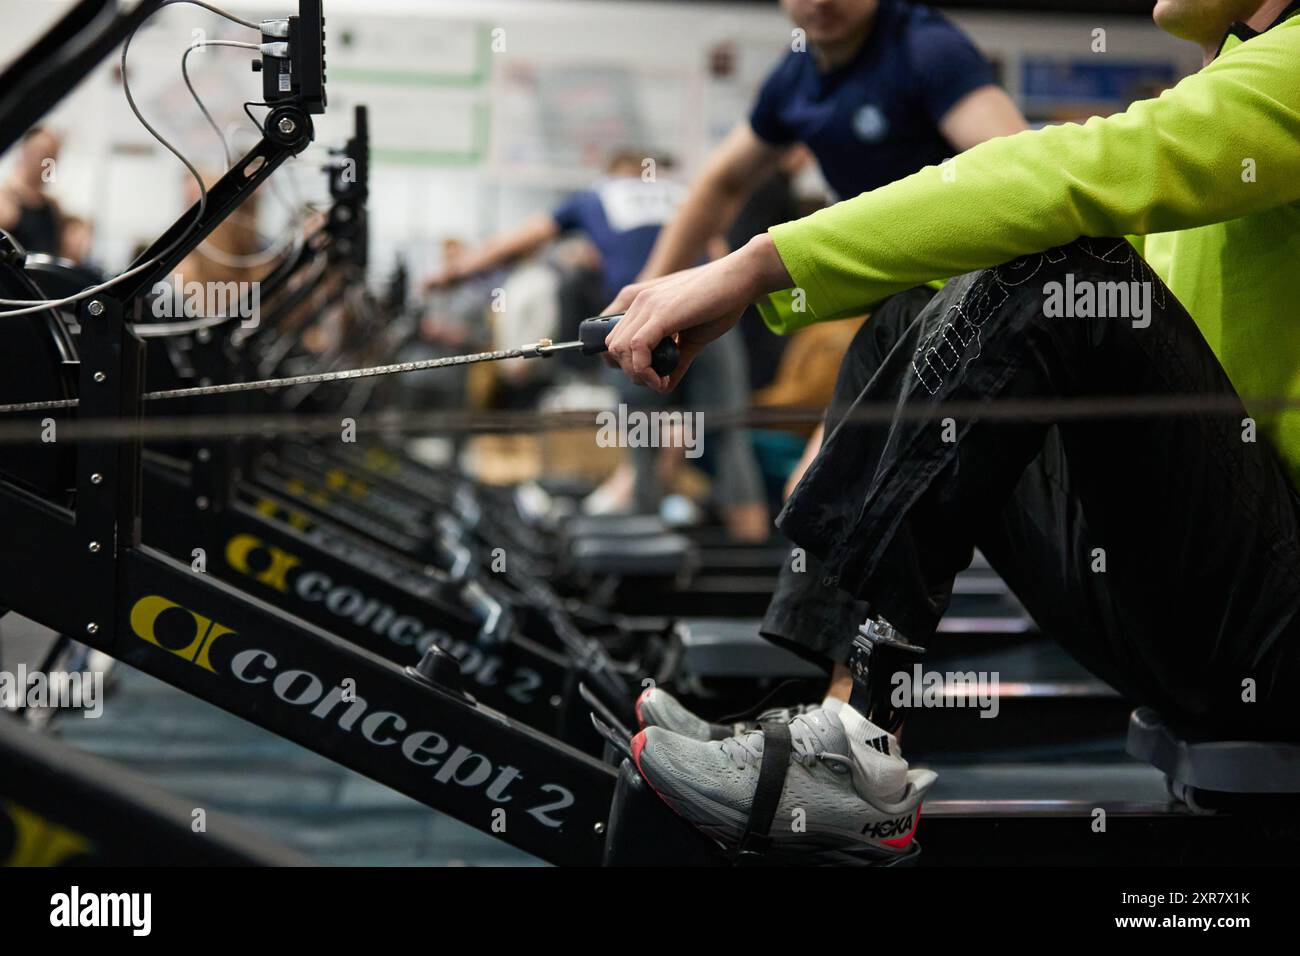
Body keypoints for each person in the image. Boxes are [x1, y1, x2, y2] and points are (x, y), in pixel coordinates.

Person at [603, 0, 1300, 861]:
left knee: (1059, 263)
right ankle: (816, 712)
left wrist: (755, 265)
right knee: (909, 310)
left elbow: (1059, 175)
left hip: (1282, 631)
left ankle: (857, 745)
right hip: (1208, 606)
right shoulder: (1236, 72)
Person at [432, 150, 771, 540]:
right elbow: (719, 258)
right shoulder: (682, 195)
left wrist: (452, 273)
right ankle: (752, 557)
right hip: (709, 316)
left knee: (644, 439)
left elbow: (517, 241)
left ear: (610, 174)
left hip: (641, 322)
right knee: (727, 434)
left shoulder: (595, 197)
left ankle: (649, 553)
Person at [0, 127, 63, 255]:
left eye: (54, 158)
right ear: (26, 152)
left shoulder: (52, 206)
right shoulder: (5, 203)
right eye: (45, 156)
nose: (50, 165)